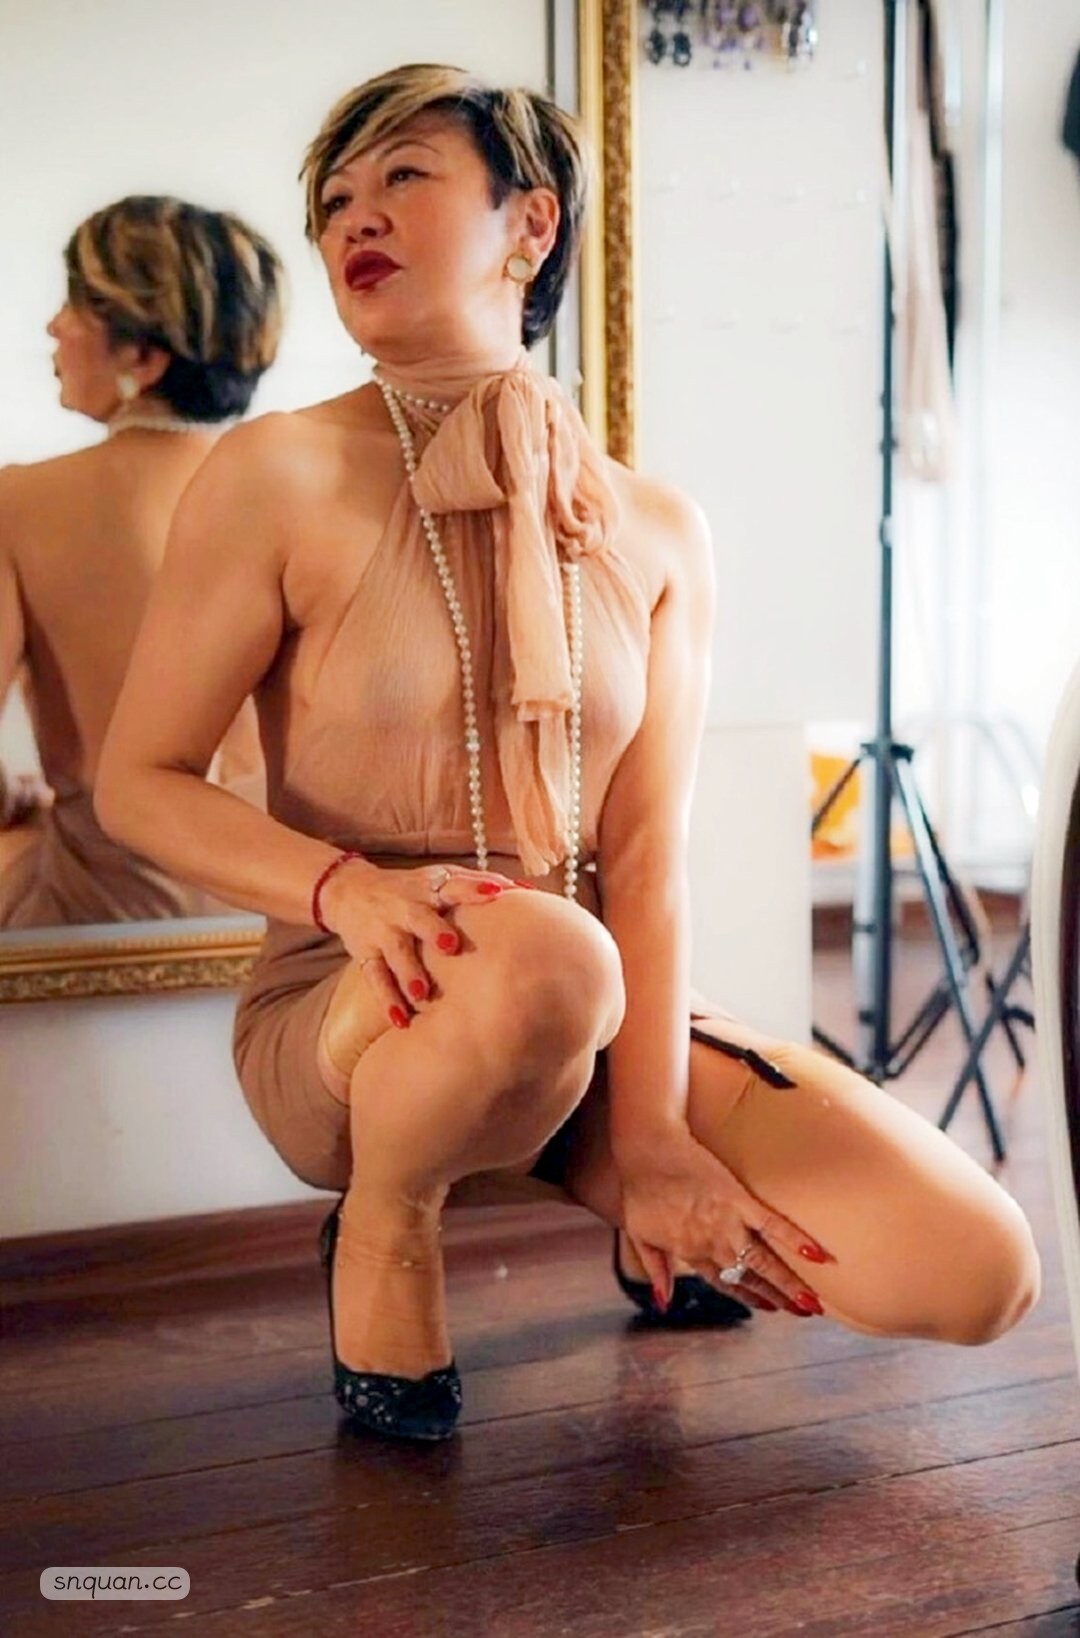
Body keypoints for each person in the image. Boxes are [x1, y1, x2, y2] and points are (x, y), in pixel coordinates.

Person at [96, 65, 1040, 1444]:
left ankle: (610, 1176)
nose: (357, 217)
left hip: (591, 1010)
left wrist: (655, 1139)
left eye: (403, 176)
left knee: (977, 1268)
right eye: (335, 200)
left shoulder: (657, 529)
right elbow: (138, 782)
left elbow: (645, 861)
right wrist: (346, 891)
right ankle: (387, 1221)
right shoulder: (271, 475)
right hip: (358, 1011)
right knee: (551, 955)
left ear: (530, 225)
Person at [0, 195, 282, 926]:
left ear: (144, 356)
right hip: (279, 913)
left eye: (75, 304)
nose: (52, 326)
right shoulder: (294, 494)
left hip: (107, 921)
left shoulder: (21, 502)